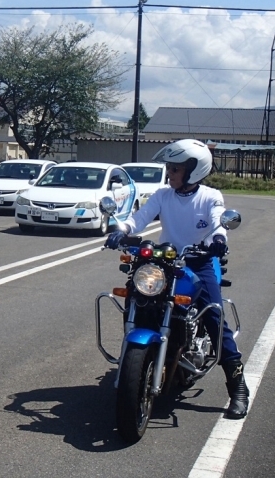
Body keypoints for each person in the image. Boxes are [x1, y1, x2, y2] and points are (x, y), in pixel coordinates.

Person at [104, 138, 249, 419]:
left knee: (214, 317)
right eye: (169, 168)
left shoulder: (210, 196)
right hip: (164, 261)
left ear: (193, 170)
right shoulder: (162, 195)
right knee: (137, 297)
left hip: (200, 262)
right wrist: (120, 230)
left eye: (174, 168)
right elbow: (139, 218)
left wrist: (218, 238)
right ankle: (134, 364)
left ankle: (238, 385)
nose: (168, 173)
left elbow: (219, 218)